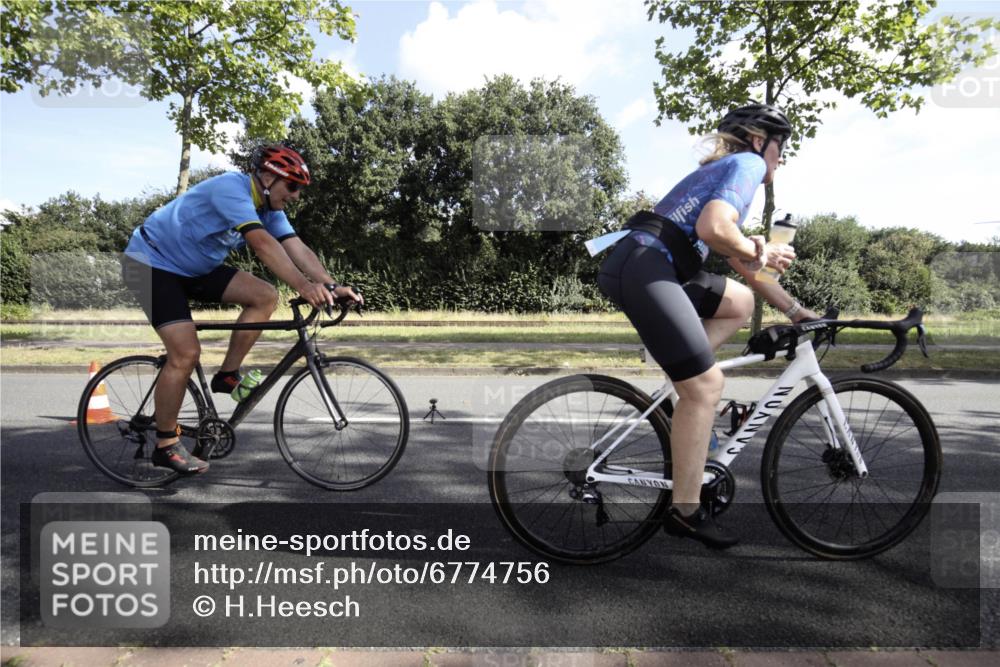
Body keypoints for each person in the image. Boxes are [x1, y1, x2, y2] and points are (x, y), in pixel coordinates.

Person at [596, 103, 818, 549]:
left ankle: (684, 375)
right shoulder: (749, 163)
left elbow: (742, 264)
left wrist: (796, 311)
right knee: (706, 386)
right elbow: (715, 227)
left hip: (649, 266)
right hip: (644, 267)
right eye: (781, 146)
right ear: (761, 140)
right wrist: (762, 251)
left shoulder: (726, 169)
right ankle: (686, 511)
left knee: (738, 300)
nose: (781, 157)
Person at [121, 144, 362, 475]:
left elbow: (297, 248)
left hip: (194, 268)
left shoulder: (268, 208)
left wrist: (332, 286)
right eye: (292, 186)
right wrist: (305, 288)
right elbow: (264, 246)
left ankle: (227, 375)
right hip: (150, 264)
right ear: (267, 176)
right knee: (185, 354)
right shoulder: (231, 189)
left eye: (299, 189)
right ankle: (165, 444)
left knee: (264, 296)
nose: (295, 195)